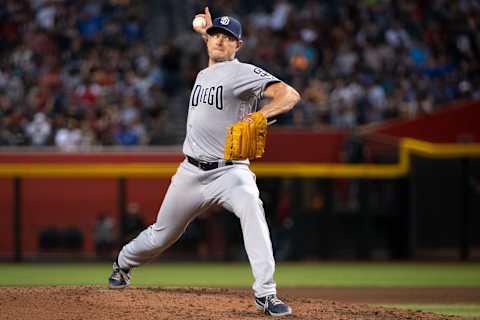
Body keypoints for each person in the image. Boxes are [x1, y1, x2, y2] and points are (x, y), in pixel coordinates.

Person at [108, 7, 300, 317]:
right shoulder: (204, 71)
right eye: (215, 36)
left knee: (253, 208)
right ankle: (123, 263)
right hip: (190, 172)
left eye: (228, 38)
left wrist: (260, 115)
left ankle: (266, 293)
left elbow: (289, 95)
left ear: (239, 44)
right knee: (162, 234)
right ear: (207, 40)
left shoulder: (243, 72)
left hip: (231, 172)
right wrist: (207, 31)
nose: (220, 41)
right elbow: (213, 46)